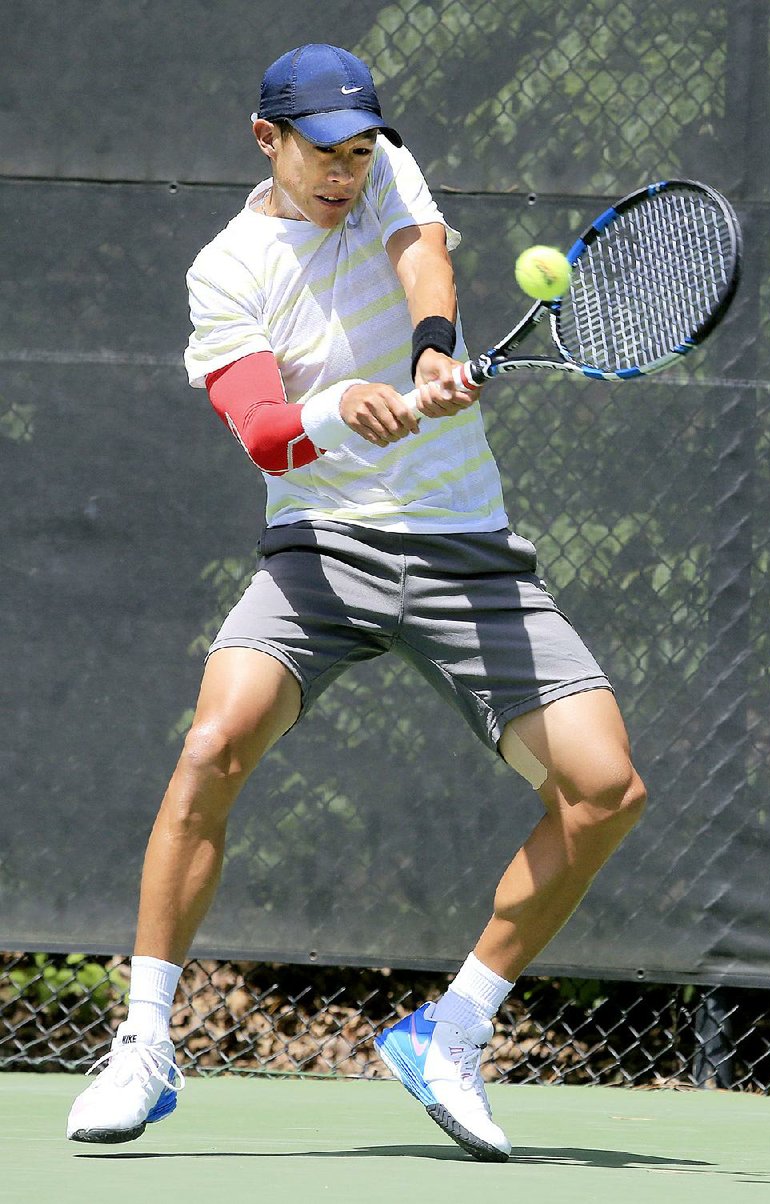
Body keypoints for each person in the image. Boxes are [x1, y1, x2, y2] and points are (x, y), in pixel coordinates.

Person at [66, 43, 646, 1162]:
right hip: (318, 551)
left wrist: (433, 351)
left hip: (459, 545)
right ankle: (142, 1042)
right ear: (263, 140)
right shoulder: (225, 268)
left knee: (605, 789)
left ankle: (454, 1028)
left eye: (359, 147)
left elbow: (422, 260)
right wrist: (341, 410)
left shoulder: (384, 174)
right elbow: (261, 432)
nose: (345, 169)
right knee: (210, 744)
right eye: (321, 151)